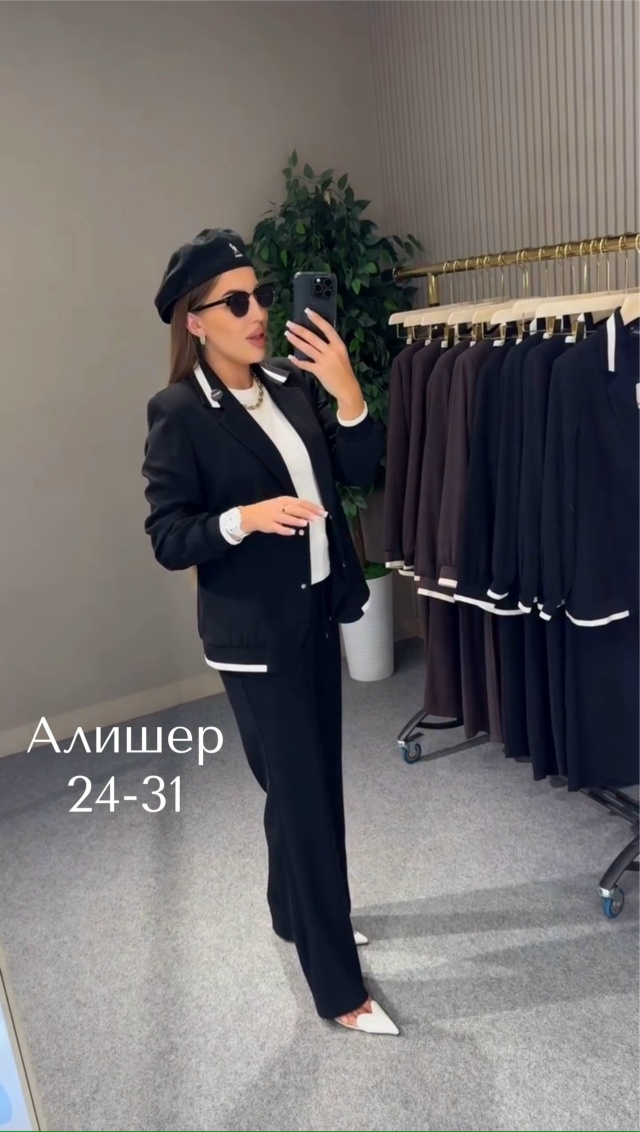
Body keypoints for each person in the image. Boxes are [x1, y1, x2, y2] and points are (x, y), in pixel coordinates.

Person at [141, 228, 399, 1036]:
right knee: (305, 798)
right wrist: (244, 519)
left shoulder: (289, 385)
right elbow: (168, 537)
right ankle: (339, 989)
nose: (257, 313)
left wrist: (347, 391)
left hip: (316, 613)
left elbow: (356, 471)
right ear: (195, 321)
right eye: (236, 303)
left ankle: (294, 911)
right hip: (255, 639)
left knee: (306, 784)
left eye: (259, 295)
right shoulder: (179, 413)